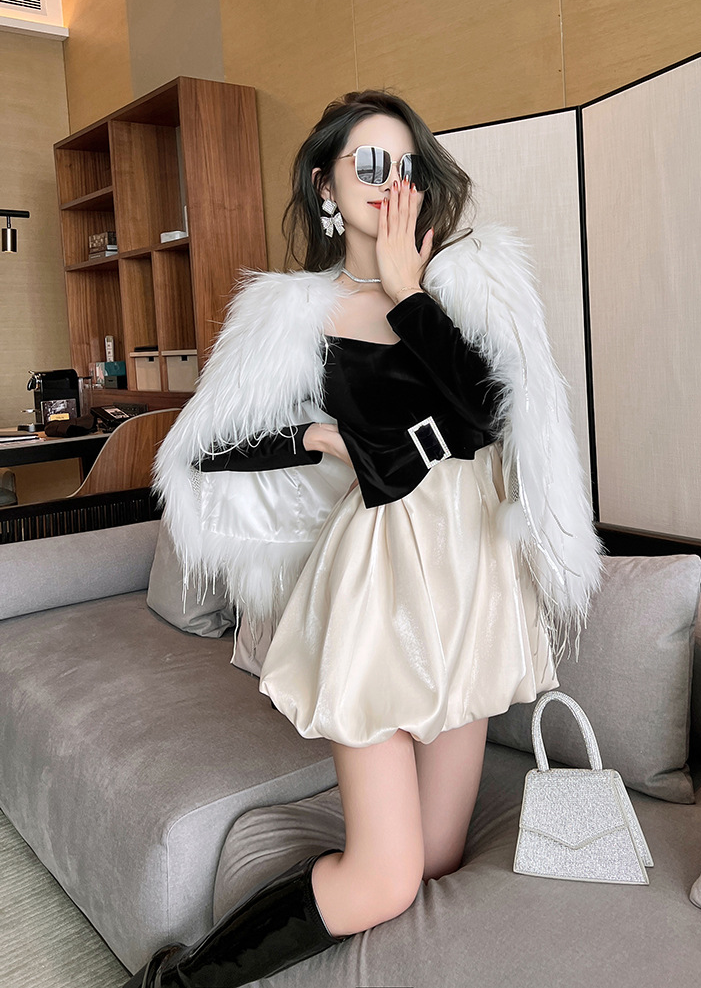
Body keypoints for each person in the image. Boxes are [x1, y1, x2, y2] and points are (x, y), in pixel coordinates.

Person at [124, 89, 604, 987]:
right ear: (325, 184)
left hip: (475, 579)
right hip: (380, 578)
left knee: (437, 859)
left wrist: (408, 288)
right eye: (369, 164)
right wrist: (323, 436)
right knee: (387, 876)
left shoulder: (471, 279)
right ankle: (177, 982)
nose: (391, 183)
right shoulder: (293, 312)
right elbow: (204, 448)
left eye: (406, 165)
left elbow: (491, 415)